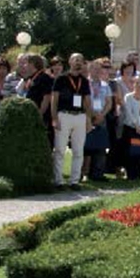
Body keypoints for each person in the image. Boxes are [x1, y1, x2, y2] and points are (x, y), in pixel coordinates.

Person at [50, 54, 93, 188]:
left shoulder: (84, 81)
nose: (78, 63)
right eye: (75, 60)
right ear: (70, 62)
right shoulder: (61, 79)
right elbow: (54, 99)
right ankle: (58, 180)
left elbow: (86, 101)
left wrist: (89, 119)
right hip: (64, 115)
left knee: (78, 150)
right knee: (60, 149)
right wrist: (55, 118)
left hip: (80, 116)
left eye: (80, 60)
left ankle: (74, 180)